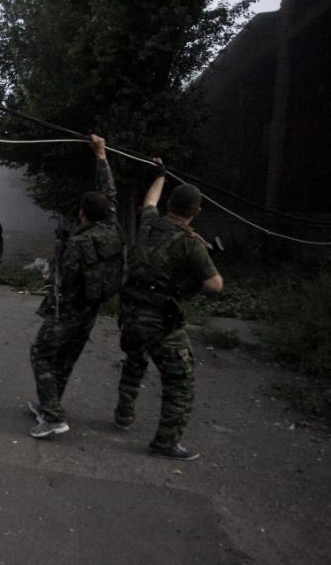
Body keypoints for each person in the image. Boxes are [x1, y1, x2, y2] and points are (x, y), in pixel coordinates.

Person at [113, 159, 224, 460]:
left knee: (134, 363)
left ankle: (123, 414)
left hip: (131, 313)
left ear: (170, 204)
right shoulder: (192, 244)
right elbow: (214, 286)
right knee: (179, 381)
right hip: (162, 322)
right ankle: (165, 441)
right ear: (196, 212)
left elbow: (150, 200)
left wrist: (159, 175)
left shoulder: (149, 223)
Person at [29, 134, 125, 438]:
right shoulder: (112, 228)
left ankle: (54, 418)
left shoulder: (79, 243)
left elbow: (57, 278)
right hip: (91, 308)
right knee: (67, 357)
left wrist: (44, 266)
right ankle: (50, 404)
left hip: (68, 309)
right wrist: (101, 154)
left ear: (83, 213)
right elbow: (107, 191)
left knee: (41, 354)